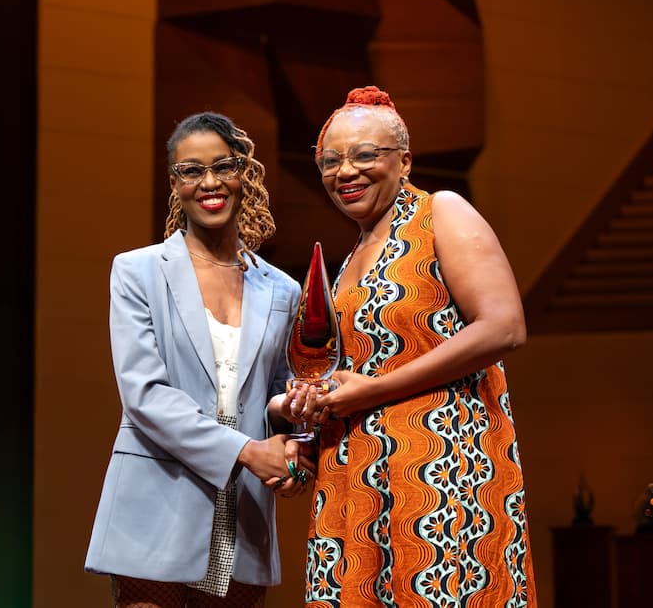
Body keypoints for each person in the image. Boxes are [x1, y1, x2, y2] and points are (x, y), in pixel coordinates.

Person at [283, 86, 538, 606]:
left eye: (365, 155)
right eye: (330, 161)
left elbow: (504, 325)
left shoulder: (440, 212)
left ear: (405, 161)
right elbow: (353, 373)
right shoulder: (351, 256)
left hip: (439, 476)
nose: (344, 172)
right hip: (358, 482)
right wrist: (307, 419)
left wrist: (370, 392)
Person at [85, 112, 312, 608]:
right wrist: (248, 452)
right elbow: (145, 396)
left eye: (223, 166)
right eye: (191, 170)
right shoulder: (137, 271)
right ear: (175, 183)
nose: (209, 182)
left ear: (243, 174)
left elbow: (279, 391)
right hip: (157, 500)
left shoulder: (281, 288)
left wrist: (295, 444)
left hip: (244, 512)